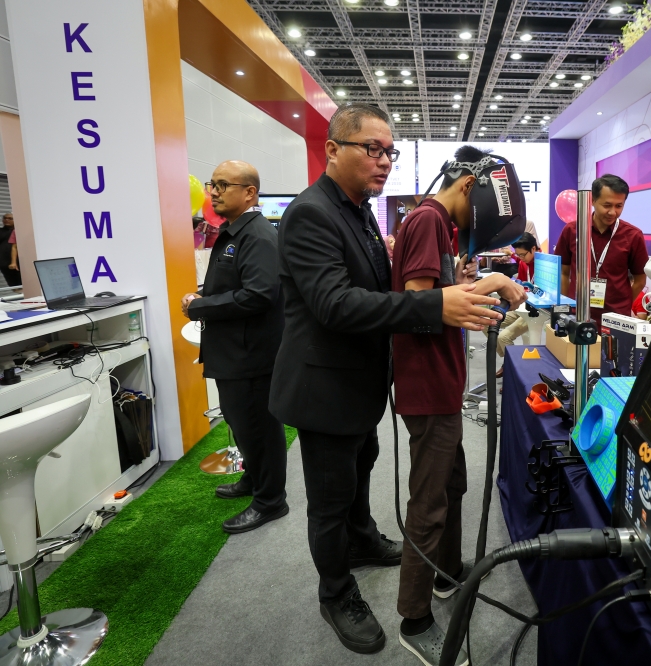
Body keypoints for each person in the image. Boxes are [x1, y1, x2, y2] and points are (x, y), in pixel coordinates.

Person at [268, 104, 504, 656]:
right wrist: (433, 304)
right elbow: (334, 304)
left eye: (389, 152)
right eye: (371, 149)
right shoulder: (311, 213)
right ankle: (336, 592)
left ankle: (363, 541)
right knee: (329, 500)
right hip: (323, 390)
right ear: (333, 150)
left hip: (360, 383)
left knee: (360, 475)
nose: (384, 161)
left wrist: (442, 287)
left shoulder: (357, 211)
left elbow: (381, 289)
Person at [391, 145, 526, 665]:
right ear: (470, 187)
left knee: (452, 485)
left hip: (441, 382)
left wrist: (471, 286)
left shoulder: (438, 224)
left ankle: (445, 575)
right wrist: (489, 284)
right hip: (428, 385)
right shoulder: (428, 219)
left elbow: (440, 296)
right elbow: (418, 304)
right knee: (428, 503)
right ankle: (414, 619)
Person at [181, 161, 287, 534]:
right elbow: (235, 284)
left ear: (250, 193)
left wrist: (201, 306)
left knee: (258, 427)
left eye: (223, 185)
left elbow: (259, 295)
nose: (213, 192)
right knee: (241, 423)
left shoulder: (257, 236)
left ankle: (271, 500)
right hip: (232, 352)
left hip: (251, 354)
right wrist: (204, 295)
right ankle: (254, 479)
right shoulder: (233, 233)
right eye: (212, 184)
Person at [554, 175, 649, 321]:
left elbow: (640, 280)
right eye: (607, 205)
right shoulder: (573, 230)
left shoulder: (633, 235)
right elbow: (563, 273)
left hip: (615, 319)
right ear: (592, 200)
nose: (612, 212)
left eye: (619, 206)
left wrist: (622, 305)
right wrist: (565, 306)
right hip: (577, 314)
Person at [496, 232, 540, 357]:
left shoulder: (544, 264)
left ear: (533, 248)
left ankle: (513, 364)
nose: (520, 258)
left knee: (503, 337)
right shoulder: (523, 263)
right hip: (522, 305)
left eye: (523, 254)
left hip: (536, 310)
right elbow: (520, 285)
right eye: (518, 255)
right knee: (487, 323)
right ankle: (507, 360)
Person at [1, 213, 19, 287]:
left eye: (10, 218)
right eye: (5, 218)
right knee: (14, 285)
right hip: (4, 263)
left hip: (19, 262)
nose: (6, 220)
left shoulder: (19, 231)